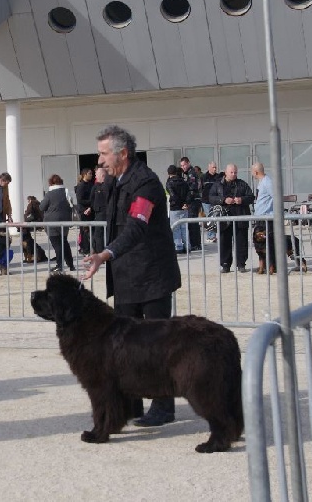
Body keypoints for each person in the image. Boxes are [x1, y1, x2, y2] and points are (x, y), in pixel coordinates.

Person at [83, 125, 181, 427]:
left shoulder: (146, 183)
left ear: (122, 153)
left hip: (152, 277)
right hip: (125, 277)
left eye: (103, 154)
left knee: (156, 344)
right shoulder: (115, 180)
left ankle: (163, 406)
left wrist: (106, 254)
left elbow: (136, 226)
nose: (99, 161)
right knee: (125, 346)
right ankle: (132, 404)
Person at [208, 164, 254, 273]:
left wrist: (241, 200)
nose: (234, 174)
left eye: (235, 172)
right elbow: (210, 197)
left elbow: (251, 197)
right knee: (224, 241)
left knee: (241, 241)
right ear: (226, 172)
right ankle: (225, 265)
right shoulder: (217, 184)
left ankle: (241, 264)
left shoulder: (242, 184)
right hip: (224, 218)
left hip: (240, 216)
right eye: (231, 172)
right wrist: (223, 200)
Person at [40, 174, 75, 272]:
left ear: (51, 183)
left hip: (52, 222)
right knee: (64, 242)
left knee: (57, 245)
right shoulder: (66, 192)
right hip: (65, 221)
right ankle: (71, 264)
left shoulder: (49, 194)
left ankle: (59, 265)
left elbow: (42, 207)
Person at [251, 163, 276, 268]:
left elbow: (276, 196)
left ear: (255, 172)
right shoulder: (262, 182)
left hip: (267, 217)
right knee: (260, 243)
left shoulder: (267, 182)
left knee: (269, 242)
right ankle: (264, 264)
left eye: (252, 171)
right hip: (261, 217)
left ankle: (273, 265)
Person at [166, 165, 191, 254]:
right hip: (184, 208)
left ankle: (178, 247)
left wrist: (180, 204)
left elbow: (173, 195)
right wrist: (186, 203)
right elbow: (189, 193)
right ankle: (187, 246)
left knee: (176, 228)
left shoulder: (169, 183)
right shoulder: (184, 182)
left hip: (175, 208)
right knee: (185, 228)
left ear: (169, 173)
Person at [179, 157, 202, 251]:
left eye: (184, 165)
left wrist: (187, 202)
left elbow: (192, 188)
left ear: (188, 163)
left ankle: (195, 244)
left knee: (193, 223)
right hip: (192, 200)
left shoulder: (191, 173)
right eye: (181, 165)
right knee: (192, 222)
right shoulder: (186, 173)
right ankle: (195, 243)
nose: (183, 167)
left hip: (193, 200)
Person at [89, 167, 110, 254]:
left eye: (96, 174)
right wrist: (91, 208)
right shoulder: (96, 186)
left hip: (106, 212)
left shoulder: (109, 186)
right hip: (98, 212)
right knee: (97, 233)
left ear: (102, 175)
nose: (95, 176)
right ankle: (98, 251)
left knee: (101, 233)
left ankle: (101, 253)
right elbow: (92, 199)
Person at [75, 168, 95, 255]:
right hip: (83, 211)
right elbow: (80, 200)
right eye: (89, 173)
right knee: (84, 231)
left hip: (91, 210)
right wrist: (91, 202)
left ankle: (91, 248)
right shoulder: (81, 186)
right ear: (84, 175)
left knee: (91, 231)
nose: (91, 175)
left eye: (92, 173)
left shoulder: (91, 184)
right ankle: (84, 248)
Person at [201, 162, 223, 242]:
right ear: (209, 167)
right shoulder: (204, 177)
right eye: (213, 167)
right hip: (206, 201)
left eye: (215, 167)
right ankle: (211, 236)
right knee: (209, 217)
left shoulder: (218, 177)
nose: (214, 169)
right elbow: (201, 188)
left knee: (213, 217)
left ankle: (212, 235)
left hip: (214, 200)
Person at [22, 195, 47, 263]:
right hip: (39, 222)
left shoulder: (32, 203)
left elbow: (28, 212)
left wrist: (25, 218)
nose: (28, 202)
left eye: (28, 200)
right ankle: (30, 257)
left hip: (35, 222)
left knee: (28, 245)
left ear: (30, 199)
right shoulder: (38, 203)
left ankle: (29, 258)